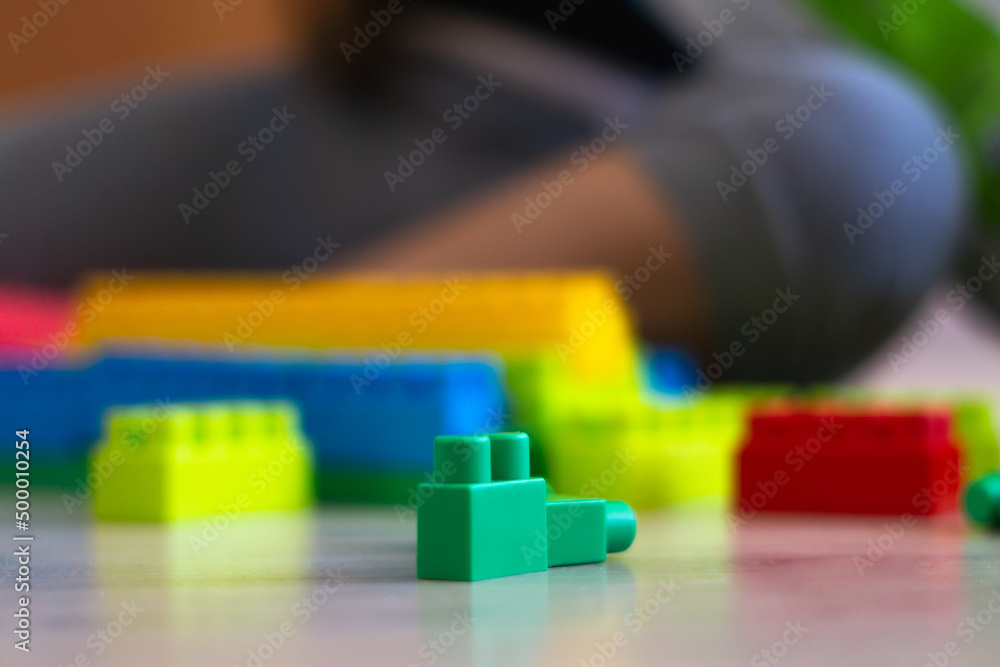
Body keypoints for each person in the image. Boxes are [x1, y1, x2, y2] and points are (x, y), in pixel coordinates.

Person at [0, 0, 969, 381]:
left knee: (868, 145)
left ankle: (269, 361)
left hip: (670, 168)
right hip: (369, 108)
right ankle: (261, 358)